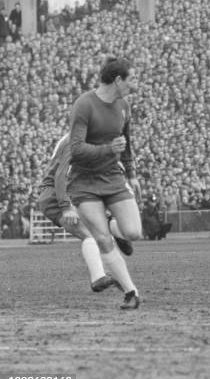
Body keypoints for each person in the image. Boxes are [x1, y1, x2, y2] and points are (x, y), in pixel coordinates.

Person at [67, 57, 142, 310]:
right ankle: (131, 292)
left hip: (113, 178)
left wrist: (131, 173)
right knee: (102, 239)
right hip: (84, 182)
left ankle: (113, 224)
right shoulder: (84, 105)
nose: (135, 84)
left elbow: (127, 143)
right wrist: (108, 149)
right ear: (118, 80)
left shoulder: (124, 106)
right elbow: (75, 150)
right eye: (132, 79)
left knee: (133, 232)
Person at [38, 134, 133, 292]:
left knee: (99, 226)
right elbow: (61, 175)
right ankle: (98, 277)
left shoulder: (85, 138)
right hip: (56, 194)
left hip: (71, 191)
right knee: (89, 234)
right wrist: (65, 205)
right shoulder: (76, 140)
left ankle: (116, 232)